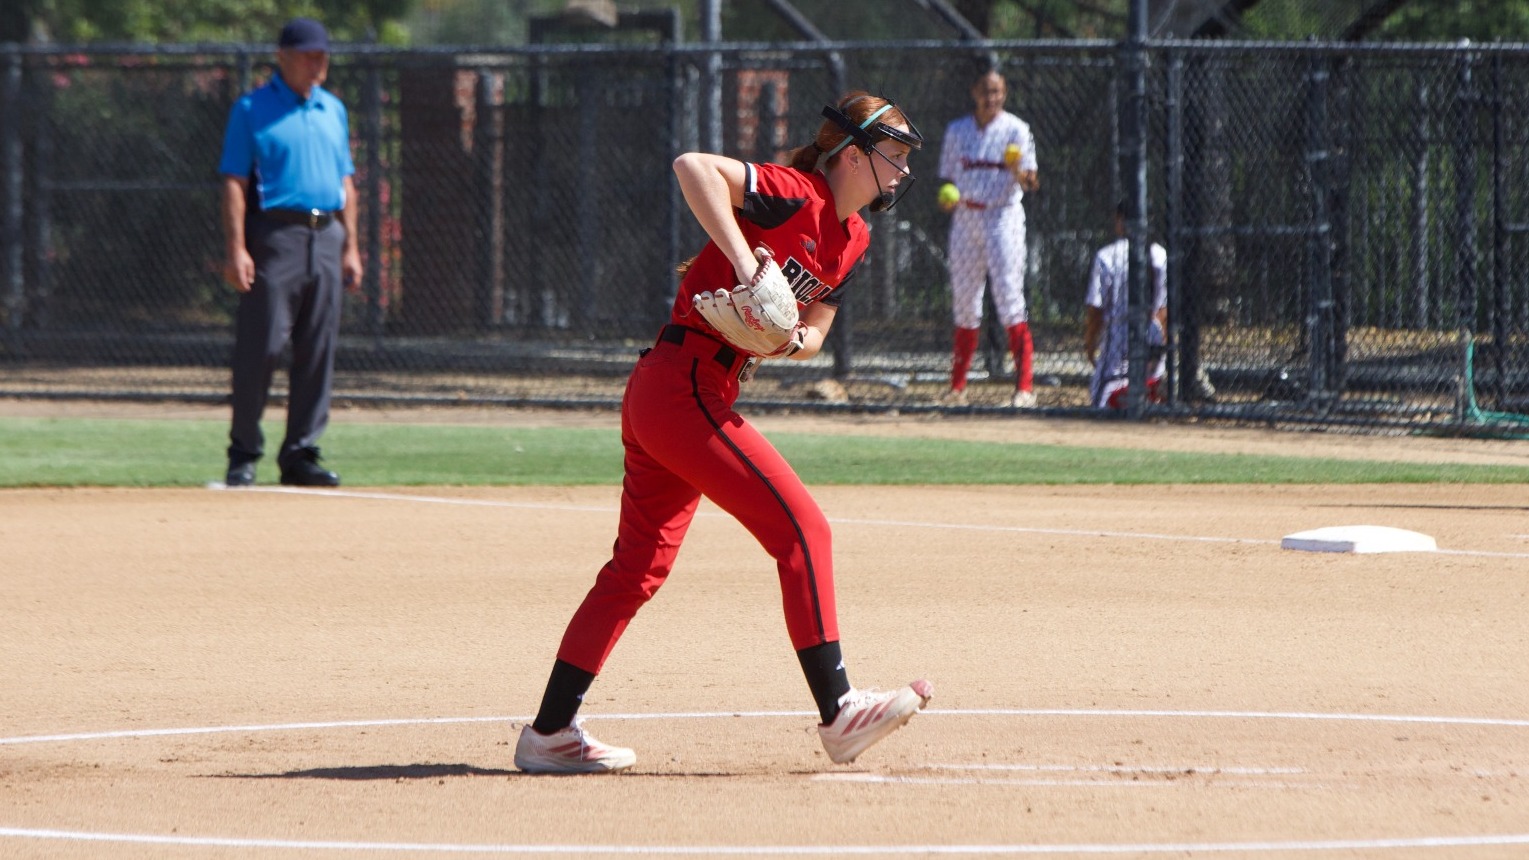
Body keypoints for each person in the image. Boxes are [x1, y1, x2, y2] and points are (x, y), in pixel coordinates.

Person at [514, 91, 934, 775]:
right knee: (803, 530)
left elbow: (818, 318)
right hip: (682, 383)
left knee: (634, 572)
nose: (901, 171)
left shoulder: (854, 236)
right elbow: (693, 167)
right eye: (893, 156)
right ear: (851, 155)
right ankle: (838, 713)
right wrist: (746, 264)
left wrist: (791, 337)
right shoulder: (795, 191)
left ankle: (549, 733)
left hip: (680, 391)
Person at [218, 17, 362, 487]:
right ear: (282, 56)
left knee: (317, 350)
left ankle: (300, 454)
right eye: (307, 54)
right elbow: (235, 183)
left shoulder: (333, 109)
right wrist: (237, 247)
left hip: (327, 235)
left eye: (322, 55)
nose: (316, 63)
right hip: (275, 236)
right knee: (263, 345)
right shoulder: (252, 108)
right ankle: (244, 452)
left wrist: (352, 247)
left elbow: (346, 182)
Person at [936, 68, 1039, 408]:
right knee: (965, 303)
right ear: (974, 92)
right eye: (986, 91)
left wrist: (1017, 169)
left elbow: (1031, 183)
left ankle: (1024, 387)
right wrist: (947, 199)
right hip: (966, 217)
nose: (991, 98)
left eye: (997, 92)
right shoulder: (957, 130)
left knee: (1010, 298)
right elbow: (948, 180)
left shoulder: (1016, 129)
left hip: (1002, 217)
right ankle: (957, 387)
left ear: (1004, 94)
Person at [1084, 202, 1168, 409]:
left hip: (1118, 333)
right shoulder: (1160, 254)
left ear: (1122, 221)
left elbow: (1096, 310)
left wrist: (1090, 343)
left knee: (1101, 398)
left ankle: (1130, 398)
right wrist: (1160, 345)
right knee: (1147, 379)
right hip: (1152, 330)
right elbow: (1163, 311)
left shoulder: (1107, 255)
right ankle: (1151, 390)